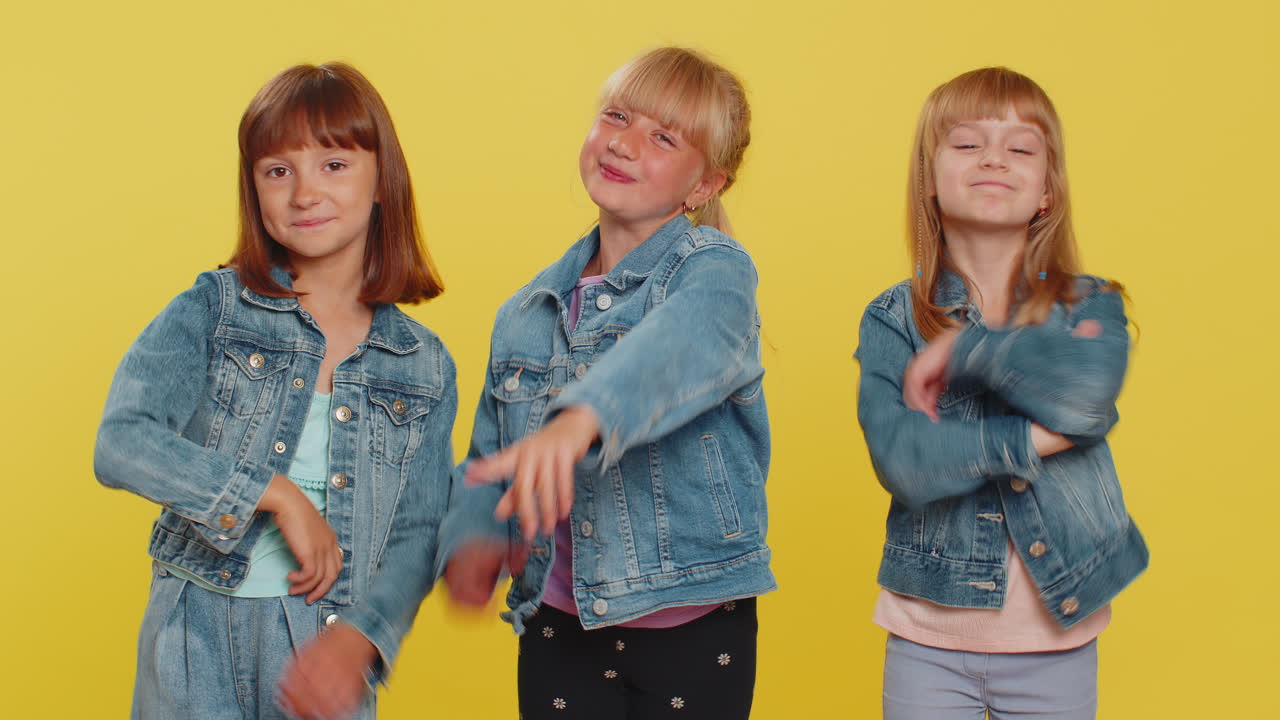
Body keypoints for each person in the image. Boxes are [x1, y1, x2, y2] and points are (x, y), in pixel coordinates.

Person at [94, 62, 456, 720]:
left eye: (334, 165)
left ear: (383, 181)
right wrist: (271, 493)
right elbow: (121, 440)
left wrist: (364, 638)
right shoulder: (215, 309)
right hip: (196, 627)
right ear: (253, 187)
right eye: (277, 170)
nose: (304, 193)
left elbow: (419, 530)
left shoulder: (422, 364)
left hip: (326, 640)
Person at [440, 47, 772, 719]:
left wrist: (579, 419)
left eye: (662, 136)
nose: (623, 142)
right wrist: (474, 537)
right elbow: (490, 456)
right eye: (616, 116)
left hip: (692, 621)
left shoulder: (716, 274)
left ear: (704, 186)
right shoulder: (527, 312)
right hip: (561, 621)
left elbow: (677, 347)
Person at [855, 67, 1148, 719]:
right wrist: (1037, 437)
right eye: (966, 144)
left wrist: (969, 349)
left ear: (1047, 191)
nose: (994, 157)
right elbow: (904, 462)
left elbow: (1087, 401)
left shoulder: (1087, 305)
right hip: (927, 636)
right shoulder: (892, 319)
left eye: (1020, 147)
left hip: (1057, 635)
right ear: (930, 180)